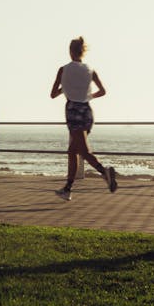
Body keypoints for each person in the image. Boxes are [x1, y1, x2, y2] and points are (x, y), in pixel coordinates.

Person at [50, 37, 117, 201]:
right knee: (72, 151)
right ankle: (67, 189)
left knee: (84, 151)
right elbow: (102, 91)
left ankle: (104, 172)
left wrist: (64, 88)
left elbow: (53, 94)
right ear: (83, 51)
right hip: (87, 111)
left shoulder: (63, 70)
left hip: (73, 111)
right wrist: (88, 95)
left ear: (70, 51)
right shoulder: (90, 70)